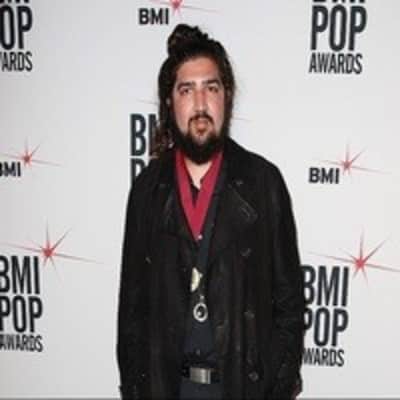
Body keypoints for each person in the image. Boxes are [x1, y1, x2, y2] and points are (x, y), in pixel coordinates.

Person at [117, 24, 304, 400]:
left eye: (211, 88)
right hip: (168, 388)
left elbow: (290, 303)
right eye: (187, 90)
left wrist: (276, 387)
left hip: (241, 388)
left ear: (227, 97)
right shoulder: (147, 190)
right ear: (169, 102)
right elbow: (131, 311)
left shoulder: (263, 183)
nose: (200, 105)